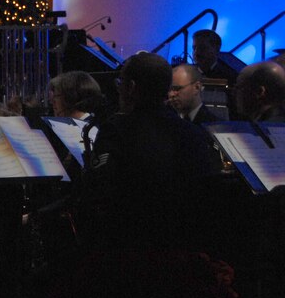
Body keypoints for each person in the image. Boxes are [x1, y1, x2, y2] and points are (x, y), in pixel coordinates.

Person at [81, 52, 220, 250]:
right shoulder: (193, 132)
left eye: (121, 82)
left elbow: (102, 193)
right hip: (182, 243)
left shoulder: (118, 130)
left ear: (131, 88)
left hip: (131, 244)